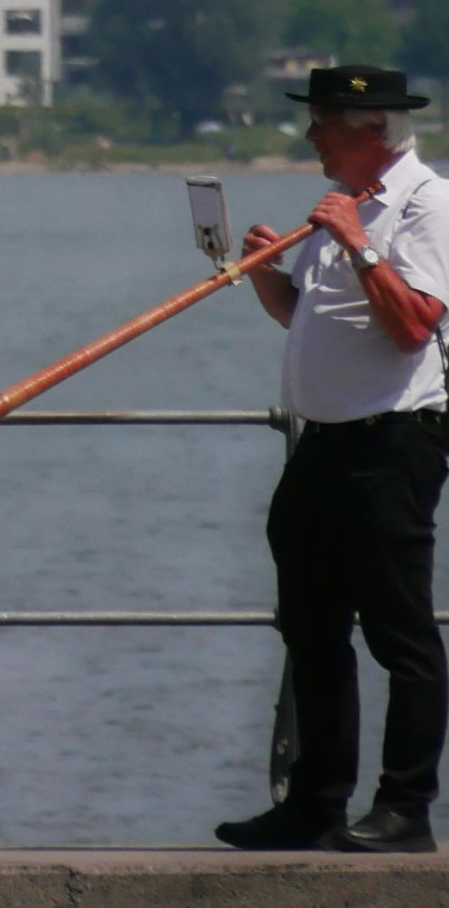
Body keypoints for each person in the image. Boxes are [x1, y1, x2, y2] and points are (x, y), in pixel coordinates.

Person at [217, 62, 449, 855]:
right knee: (310, 627)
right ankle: (316, 799)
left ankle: (405, 807)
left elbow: (412, 324)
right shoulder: (336, 210)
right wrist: (267, 280)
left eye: (322, 121)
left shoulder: (426, 203)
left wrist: (357, 246)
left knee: (399, 632)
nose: (310, 134)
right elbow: (313, 321)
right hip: (322, 444)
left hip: (392, 440)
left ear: (368, 131)